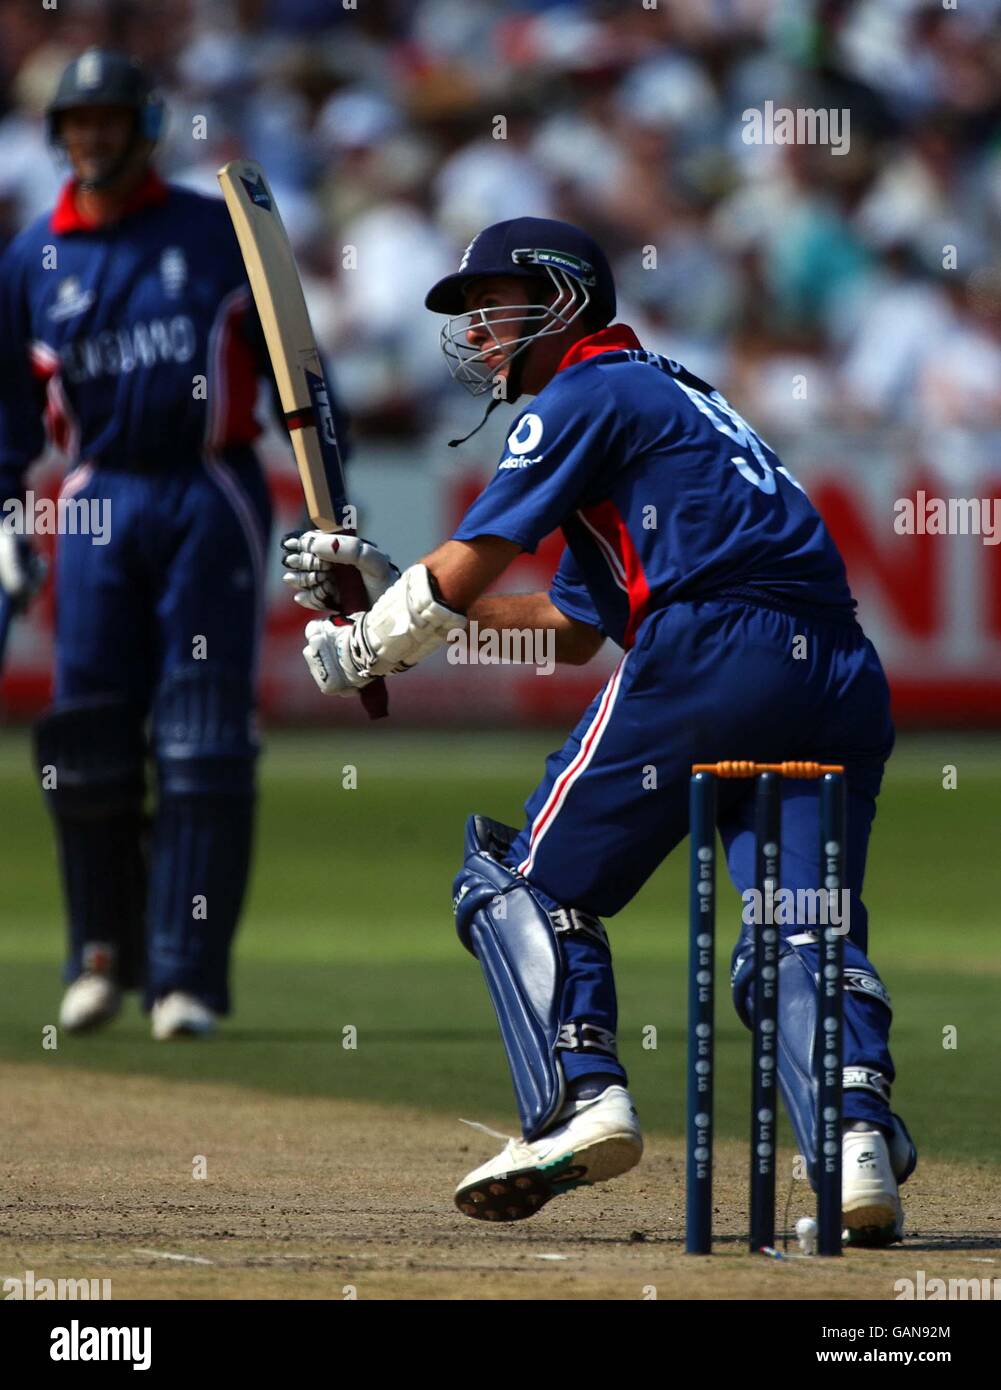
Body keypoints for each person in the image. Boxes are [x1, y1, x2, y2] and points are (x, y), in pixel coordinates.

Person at [281, 216, 916, 1244]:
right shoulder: (672, 399)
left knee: (521, 882)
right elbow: (571, 631)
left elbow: (480, 556)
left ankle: (582, 1100)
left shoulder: (586, 390)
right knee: (798, 919)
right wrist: (397, 590)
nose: (478, 331)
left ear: (561, 296)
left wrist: (365, 646)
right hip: (837, 671)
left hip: (714, 647)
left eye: (494, 305)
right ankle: (852, 1147)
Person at [0, 48, 274, 1039]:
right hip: (96, 502)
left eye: (110, 119)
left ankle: (186, 975)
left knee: (202, 744)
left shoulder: (217, 231)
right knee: (88, 743)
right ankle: (98, 956)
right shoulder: (31, 258)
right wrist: (4, 512)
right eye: (79, 123)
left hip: (208, 488)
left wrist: (334, 514)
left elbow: (300, 374)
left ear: (143, 125)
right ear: (60, 134)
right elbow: (10, 413)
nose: (94, 136)